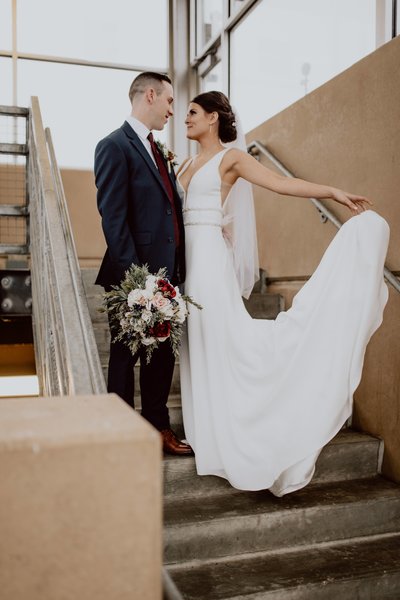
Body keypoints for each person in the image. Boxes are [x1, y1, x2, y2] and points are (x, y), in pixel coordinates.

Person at [177, 91, 389, 495]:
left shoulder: (232, 159)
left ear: (213, 119)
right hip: (187, 263)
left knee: (221, 340)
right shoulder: (185, 162)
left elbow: (280, 183)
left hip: (208, 265)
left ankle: (245, 432)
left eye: (192, 113)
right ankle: (208, 433)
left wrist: (332, 192)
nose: (185, 119)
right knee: (197, 343)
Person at [94, 72, 192, 455]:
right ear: (150, 95)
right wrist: (137, 282)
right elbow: (113, 218)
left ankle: (158, 427)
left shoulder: (159, 151)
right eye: (169, 101)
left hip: (168, 276)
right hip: (131, 277)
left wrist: (173, 275)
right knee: (125, 355)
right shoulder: (113, 146)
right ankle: (118, 435)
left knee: (163, 354)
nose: (172, 110)